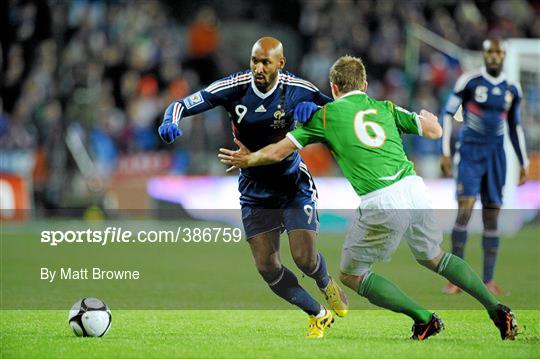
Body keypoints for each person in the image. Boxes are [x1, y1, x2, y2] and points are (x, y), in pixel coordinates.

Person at [219, 55, 519, 341]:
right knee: (435, 257)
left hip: (381, 200)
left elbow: (278, 151)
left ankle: (423, 318)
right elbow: (433, 130)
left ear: (334, 88)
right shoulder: (386, 107)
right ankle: (497, 309)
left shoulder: (324, 116)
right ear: (364, 86)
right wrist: (430, 120)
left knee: (351, 275)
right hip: (414, 189)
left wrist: (249, 159)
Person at [158, 37, 348, 338]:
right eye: (254, 61)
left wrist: (315, 111)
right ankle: (318, 314)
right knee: (267, 268)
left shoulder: (299, 89)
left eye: (265, 62)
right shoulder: (234, 87)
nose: (258, 68)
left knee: (305, 259)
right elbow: (182, 103)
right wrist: (170, 120)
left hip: (292, 183)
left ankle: (326, 283)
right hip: (254, 188)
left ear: (280, 64)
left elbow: (341, 114)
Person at [440, 38, 528, 295]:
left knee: (492, 215)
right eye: (490, 52)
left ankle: (488, 280)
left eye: (498, 52)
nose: (493, 56)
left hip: (496, 157)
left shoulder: (513, 88)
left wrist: (523, 160)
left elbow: (515, 126)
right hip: (469, 153)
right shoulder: (469, 81)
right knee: (465, 209)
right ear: (484, 54)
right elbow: (447, 113)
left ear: (504, 56)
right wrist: (445, 151)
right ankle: (455, 279)